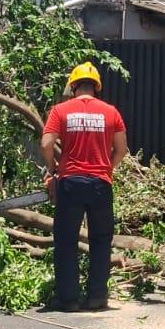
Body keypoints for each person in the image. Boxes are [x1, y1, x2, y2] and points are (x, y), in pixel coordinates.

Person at [40, 62, 128, 312]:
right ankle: (97, 297)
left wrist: (53, 168)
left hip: (71, 182)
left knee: (66, 240)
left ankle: (68, 299)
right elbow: (121, 149)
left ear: (73, 85)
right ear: (96, 87)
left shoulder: (60, 110)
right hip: (101, 184)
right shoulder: (111, 112)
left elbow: (46, 144)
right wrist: (106, 168)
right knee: (101, 240)